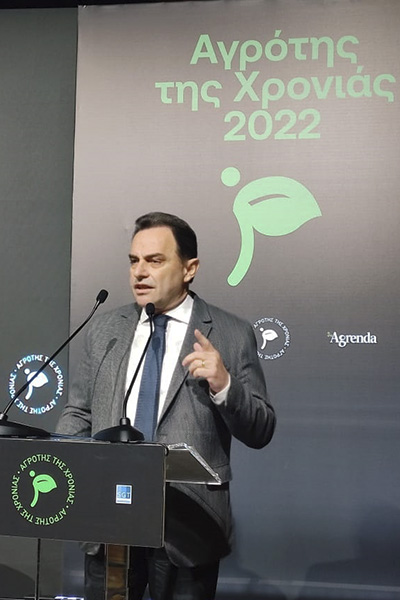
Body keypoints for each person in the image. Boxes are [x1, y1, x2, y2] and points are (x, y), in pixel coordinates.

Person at [57, 212, 276, 600]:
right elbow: (79, 413)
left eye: (155, 260)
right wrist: (60, 464)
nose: (140, 272)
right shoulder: (106, 329)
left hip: (188, 525)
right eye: (134, 261)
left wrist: (224, 384)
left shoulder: (230, 333)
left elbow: (261, 428)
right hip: (109, 518)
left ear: (190, 268)